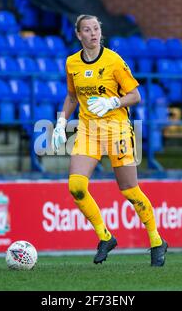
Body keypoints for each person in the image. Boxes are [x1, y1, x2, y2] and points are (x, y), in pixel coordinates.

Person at [51, 14, 168, 267]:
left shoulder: (113, 60)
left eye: (96, 28)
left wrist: (114, 101)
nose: (93, 33)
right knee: (76, 187)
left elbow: (135, 96)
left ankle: (156, 240)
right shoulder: (72, 63)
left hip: (117, 130)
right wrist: (61, 122)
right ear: (78, 35)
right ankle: (105, 236)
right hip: (88, 131)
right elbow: (72, 96)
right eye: (87, 29)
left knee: (129, 190)